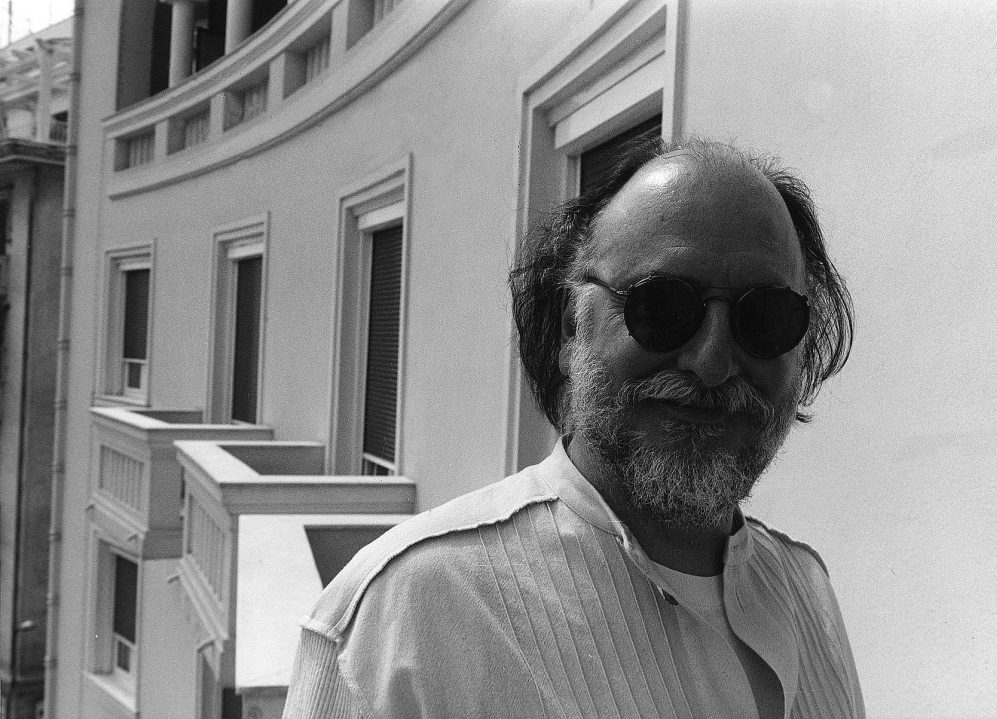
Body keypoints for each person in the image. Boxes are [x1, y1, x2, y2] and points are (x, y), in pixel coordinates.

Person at [282, 137, 865, 718]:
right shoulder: (406, 616)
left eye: (765, 318)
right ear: (570, 329)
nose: (711, 362)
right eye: (662, 308)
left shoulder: (804, 590)